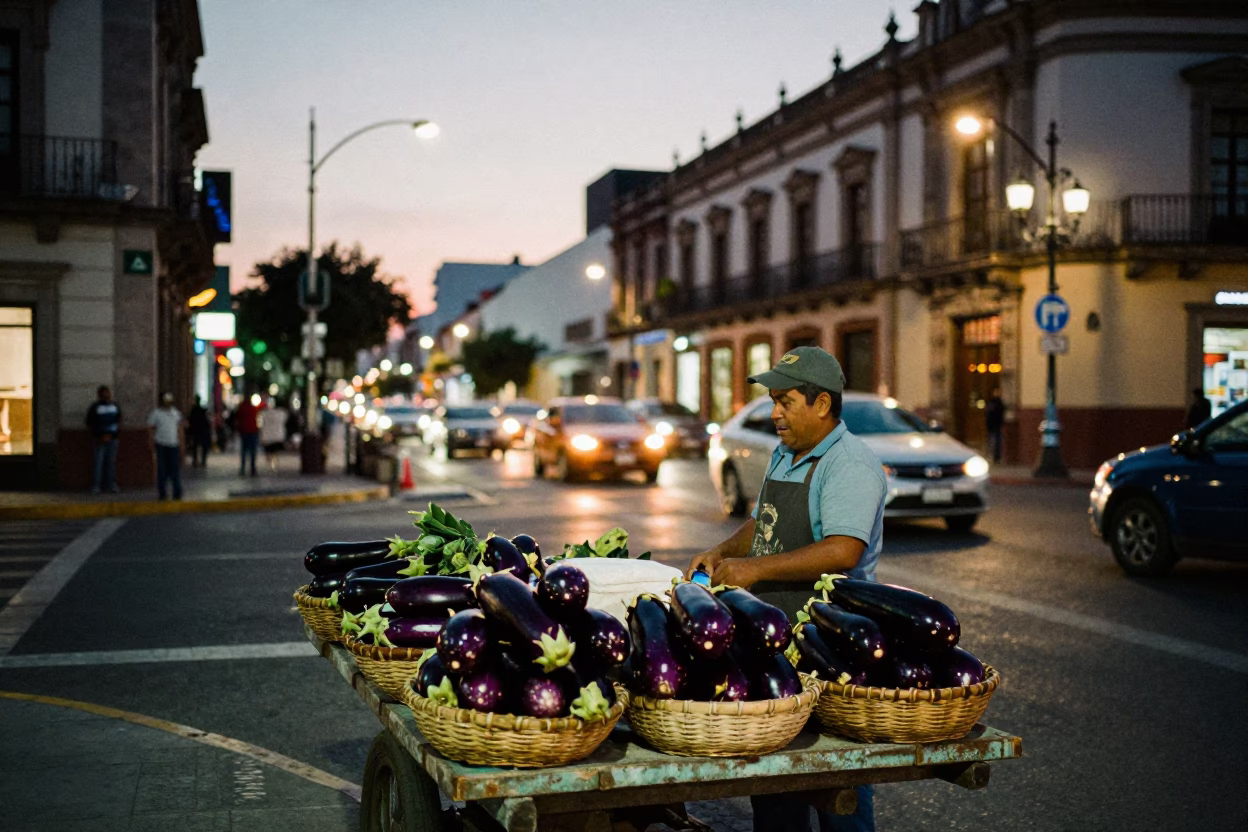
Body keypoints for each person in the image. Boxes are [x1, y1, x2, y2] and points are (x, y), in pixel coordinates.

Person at [687, 346, 885, 832]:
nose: (774, 413)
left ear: (822, 405)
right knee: (774, 782)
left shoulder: (849, 464)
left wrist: (756, 571)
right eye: (773, 401)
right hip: (777, 638)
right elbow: (762, 523)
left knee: (838, 781)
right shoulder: (785, 453)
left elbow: (843, 551)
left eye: (786, 401)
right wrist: (721, 553)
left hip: (830, 643)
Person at [146, 392, 184, 500]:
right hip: (161, 445)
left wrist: (182, 444)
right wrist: (151, 442)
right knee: (161, 470)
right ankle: (162, 493)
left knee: (174, 470)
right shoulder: (156, 414)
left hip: (173, 445)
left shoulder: (176, 413)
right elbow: (151, 428)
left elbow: (180, 429)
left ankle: (177, 493)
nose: (167, 403)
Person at [85, 385, 122, 494]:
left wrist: (113, 435)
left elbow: (118, 421)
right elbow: (90, 423)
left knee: (111, 463)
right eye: (104, 393)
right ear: (100, 395)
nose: (106, 395)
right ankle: (96, 486)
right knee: (98, 463)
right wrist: (100, 436)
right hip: (99, 440)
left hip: (113, 438)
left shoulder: (115, 406)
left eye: (108, 393)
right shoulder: (95, 407)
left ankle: (111, 485)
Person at [260, 398, 289, 471]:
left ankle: (270, 464)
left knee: (269, 452)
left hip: (267, 436)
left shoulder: (264, 413)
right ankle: (274, 465)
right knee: (275, 452)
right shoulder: (282, 413)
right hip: (277, 436)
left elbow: (260, 424)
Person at [236, 395, 261, 476]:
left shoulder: (241, 409)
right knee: (253, 452)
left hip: (244, 432)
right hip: (253, 432)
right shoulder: (253, 409)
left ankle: (243, 468)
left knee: (244, 451)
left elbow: (238, 420)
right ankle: (253, 469)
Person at [188, 396, 213, 468]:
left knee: (196, 446)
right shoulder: (201, 410)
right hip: (201, 431)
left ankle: (197, 460)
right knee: (202, 446)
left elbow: (191, 421)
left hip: (198, 431)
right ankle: (202, 460)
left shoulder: (196, 410)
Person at [984, 388, 1005, 464]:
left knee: (996, 441)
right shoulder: (992, 403)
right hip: (993, 425)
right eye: (996, 392)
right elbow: (988, 414)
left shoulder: (998, 403)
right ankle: (992, 456)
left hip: (996, 425)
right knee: (993, 441)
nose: (997, 394)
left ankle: (996, 456)